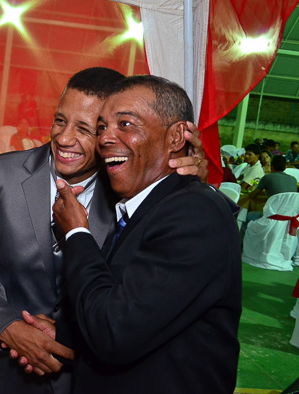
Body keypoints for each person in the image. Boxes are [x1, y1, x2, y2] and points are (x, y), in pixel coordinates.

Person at [0, 68, 208, 394]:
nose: (64, 138)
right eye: (59, 121)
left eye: (85, 129)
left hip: (76, 377)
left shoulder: (130, 193)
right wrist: (8, 327)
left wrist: (191, 181)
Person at [48, 75, 241, 393]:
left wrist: (77, 234)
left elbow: (113, 333)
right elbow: (133, 306)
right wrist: (59, 335)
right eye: (101, 127)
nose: (105, 138)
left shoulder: (192, 215)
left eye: (125, 124)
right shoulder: (145, 208)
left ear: (176, 136)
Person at [239, 155, 298, 220]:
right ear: (285, 167)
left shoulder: (267, 178)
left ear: (271, 167)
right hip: (289, 218)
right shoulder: (293, 179)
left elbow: (252, 195)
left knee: (246, 216)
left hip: (272, 217)